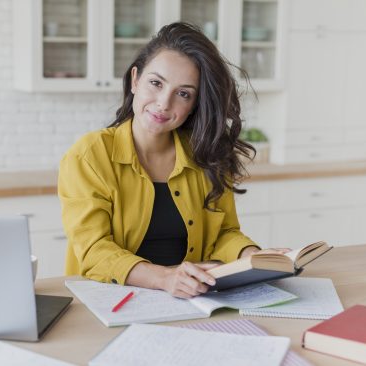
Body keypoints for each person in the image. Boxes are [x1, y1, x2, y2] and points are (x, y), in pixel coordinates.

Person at [58, 22, 288, 299]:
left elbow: (224, 233)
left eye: (183, 93)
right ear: (135, 80)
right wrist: (165, 277)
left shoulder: (207, 154)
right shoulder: (90, 155)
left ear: (194, 104)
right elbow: (93, 249)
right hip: (110, 301)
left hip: (192, 299)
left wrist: (254, 256)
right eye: (156, 83)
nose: (164, 103)